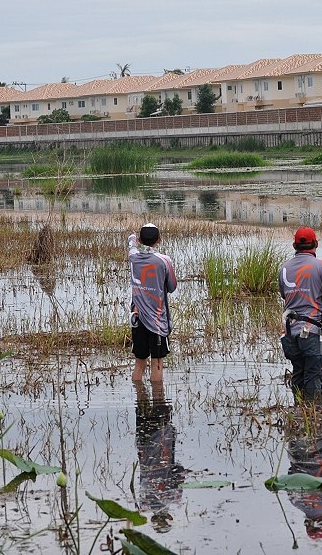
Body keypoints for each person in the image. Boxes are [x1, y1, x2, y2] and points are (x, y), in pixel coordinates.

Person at [279, 226, 322, 404]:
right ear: (315, 244)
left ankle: (299, 413)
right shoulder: (321, 266)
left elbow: (284, 294)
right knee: (314, 377)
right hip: (311, 332)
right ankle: (314, 420)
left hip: (290, 333)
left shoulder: (284, 268)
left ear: (294, 245)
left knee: (298, 374)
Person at [128, 223, 177, 383]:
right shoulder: (164, 260)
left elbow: (131, 242)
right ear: (159, 240)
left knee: (139, 363)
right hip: (157, 321)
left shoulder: (133, 256)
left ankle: (140, 401)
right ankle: (158, 404)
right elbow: (172, 287)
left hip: (137, 318)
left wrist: (134, 238)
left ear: (141, 239)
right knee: (157, 363)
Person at [135, 382, 185, 532]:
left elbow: (179, 472)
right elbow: (179, 472)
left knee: (157, 401)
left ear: (168, 516)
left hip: (159, 442)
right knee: (145, 401)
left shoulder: (173, 497)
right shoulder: (144, 502)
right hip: (145, 444)